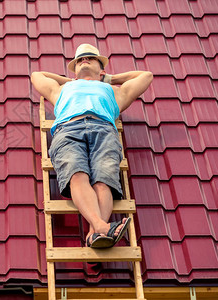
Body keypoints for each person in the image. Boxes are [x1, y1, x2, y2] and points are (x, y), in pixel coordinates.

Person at [31, 44, 153, 248]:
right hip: (69, 128)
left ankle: (95, 233)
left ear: (102, 69)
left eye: (89, 58)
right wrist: (73, 80)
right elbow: (37, 75)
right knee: (77, 174)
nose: (83, 61)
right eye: (79, 60)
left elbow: (146, 76)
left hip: (103, 129)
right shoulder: (63, 88)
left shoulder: (113, 90)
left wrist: (109, 78)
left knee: (103, 181)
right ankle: (101, 227)